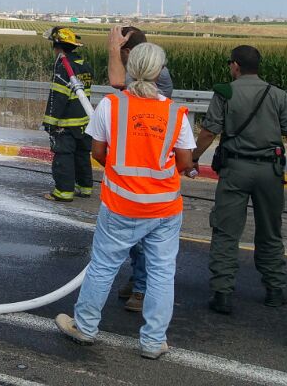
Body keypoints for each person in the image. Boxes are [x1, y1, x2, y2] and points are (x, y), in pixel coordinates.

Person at [55, 43, 197, 360]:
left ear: (131, 69)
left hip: (121, 206)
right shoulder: (176, 113)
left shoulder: (111, 105)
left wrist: (122, 172)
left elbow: (98, 153)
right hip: (164, 209)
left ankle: (85, 327)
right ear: (160, 72)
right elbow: (185, 162)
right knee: (161, 273)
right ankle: (153, 341)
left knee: (104, 267)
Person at [192, 45, 287, 316]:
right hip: (270, 172)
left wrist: (194, 156)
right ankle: (275, 290)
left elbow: (209, 132)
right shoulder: (277, 94)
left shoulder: (226, 92)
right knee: (270, 232)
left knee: (226, 231)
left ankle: (222, 294)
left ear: (235, 66)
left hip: (235, 169)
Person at [108, 26, 175, 312]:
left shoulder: (156, 75)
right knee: (137, 241)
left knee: (146, 242)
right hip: (138, 169)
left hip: (149, 177)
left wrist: (113, 50)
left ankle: (141, 289)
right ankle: (138, 280)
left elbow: (116, 84)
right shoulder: (141, 74)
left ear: (128, 52)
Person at [42, 28, 94, 202]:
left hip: (66, 122)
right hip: (84, 121)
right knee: (82, 155)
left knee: (63, 155)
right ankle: (85, 187)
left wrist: (49, 122)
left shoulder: (63, 65)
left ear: (58, 46)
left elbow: (58, 96)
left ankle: (63, 192)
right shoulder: (83, 63)